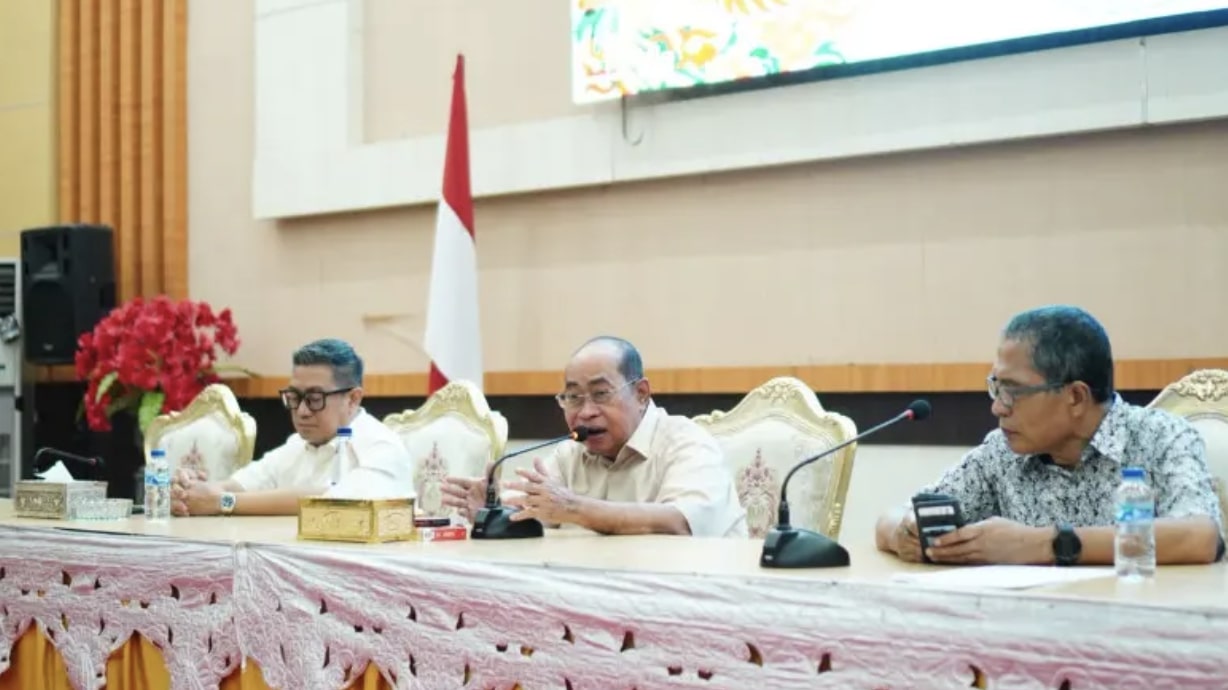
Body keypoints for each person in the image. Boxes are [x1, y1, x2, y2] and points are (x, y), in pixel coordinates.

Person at [876, 305, 1224, 566]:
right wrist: (905, 534)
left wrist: (1046, 544)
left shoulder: (1160, 437)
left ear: (1075, 396)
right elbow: (892, 518)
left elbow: (1200, 537)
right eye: (996, 387)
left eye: (1012, 391)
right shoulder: (1003, 451)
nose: (998, 407)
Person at [442, 336, 747, 537]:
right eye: (573, 398)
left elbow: (680, 522)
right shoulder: (568, 455)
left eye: (601, 394)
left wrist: (575, 508)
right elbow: (536, 517)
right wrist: (493, 514)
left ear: (641, 394)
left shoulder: (686, 442)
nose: (586, 412)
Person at [170, 338, 413, 516]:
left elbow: (332, 502)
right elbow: (241, 484)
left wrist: (223, 502)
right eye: (294, 397)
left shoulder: (382, 446)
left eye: (315, 399)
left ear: (352, 398)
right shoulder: (298, 444)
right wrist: (191, 491)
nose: (302, 411)